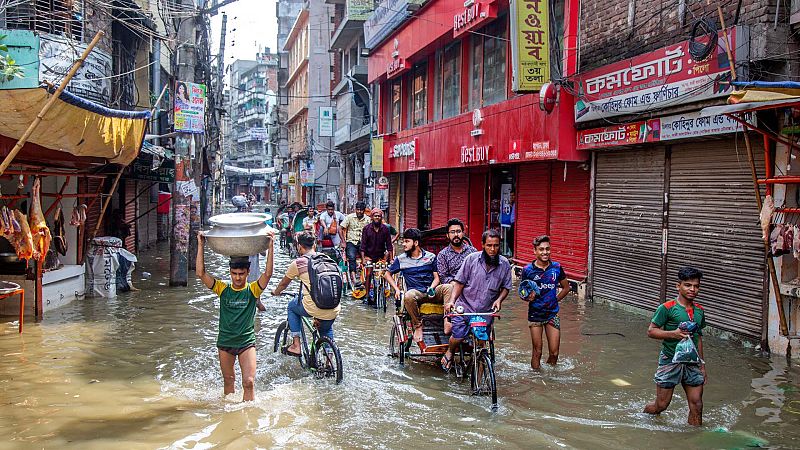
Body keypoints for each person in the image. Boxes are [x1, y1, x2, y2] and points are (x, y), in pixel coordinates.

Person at [195, 230, 274, 402]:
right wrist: (200, 244)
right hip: (225, 342)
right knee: (229, 381)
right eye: (234, 274)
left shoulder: (253, 290)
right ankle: (229, 416)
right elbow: (201, 273)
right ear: (230, 273)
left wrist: (271, 246)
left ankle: (249, 418)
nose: (237, 278)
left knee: (249, 382)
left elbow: (268, 274)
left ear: (248, 272)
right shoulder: (223, 289)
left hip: (246, 342)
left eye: (241, 274)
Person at [644, 267, 707, 426]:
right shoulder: (667, 308)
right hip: (670, 360)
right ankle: (645, 415)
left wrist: (702, 365)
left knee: (697, 405)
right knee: (661, 405)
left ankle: (693, 439)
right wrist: (674, 333)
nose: (692, 289)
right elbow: (651, 331)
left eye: (696, 286)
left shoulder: (699, 311)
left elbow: (698, 337)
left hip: (692, 363)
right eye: (688, 285)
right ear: (678, 286)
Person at [442, 229, 511, 371]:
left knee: (481, 345)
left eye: (496, 246)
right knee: (458, 336)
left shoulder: (504, 264)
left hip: (485, 311)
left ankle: (480, 382)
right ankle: (450, 351)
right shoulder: (471, 259)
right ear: (483, 245)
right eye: (489, 245)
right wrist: (452, 301)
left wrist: (499, 300)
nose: (493, 249)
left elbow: (506, 287)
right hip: (465, 307)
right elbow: (459, 282)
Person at [272, 231, 340, 356]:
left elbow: (283, 284)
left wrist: (276, 292)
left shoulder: (298, 263)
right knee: (326, 329)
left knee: (292, 307)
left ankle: (296, 345)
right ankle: (330, 359)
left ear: (299, 246)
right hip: (334, 308)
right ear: (314, 245)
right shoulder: (328, 260)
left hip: (313, 307)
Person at [384, 228, 447, 347]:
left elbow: (437, 278)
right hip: (416, 293)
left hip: (431, 291)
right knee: (408, 295)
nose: (403, 244)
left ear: (416, 243)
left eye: (407, 241)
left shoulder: (431, 257)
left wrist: (432, 287)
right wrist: (397, 289)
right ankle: (418, 325)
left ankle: (448, 320)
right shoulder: (401, 259)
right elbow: (387, 274)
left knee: (448, 287)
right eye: (403, 241)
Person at [520, 235, 570, 370]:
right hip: (535, 314)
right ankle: (536, 380)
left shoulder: (556, 268)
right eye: (541, 249)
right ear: (535, 251)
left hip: (552, 314)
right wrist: (527, 297)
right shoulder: (527, 270)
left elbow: (566, 288)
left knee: (554, 353)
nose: (545, 252)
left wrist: (555, 299)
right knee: (537, 352)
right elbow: (522, 292)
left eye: (547, 249)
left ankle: (549, 377)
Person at [437, 218, 477, 334]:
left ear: (463, 233)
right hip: (453, 286)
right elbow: (443, 277)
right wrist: (457, 283)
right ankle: (448, 320)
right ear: (447, 235)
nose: (456, 235)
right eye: (452, 232)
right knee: (451, 287)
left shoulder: (472, 252)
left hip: (470, 286)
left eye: (458, 231)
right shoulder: (443, 255)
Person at [360, 209, 394, 299]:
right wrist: (363, 259)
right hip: (369, 256)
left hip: (380, 256)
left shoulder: (386, 229)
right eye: (375, 216)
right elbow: (363, 246)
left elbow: (389, 245)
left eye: (379, 216)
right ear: (372, 217)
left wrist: (391, 259)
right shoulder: (366, 229)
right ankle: (367, 295)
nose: (377, 218)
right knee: (368, 274)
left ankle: (382, 290)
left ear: (381, 217)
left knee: (383, 273)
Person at [340, 201, 370, 285]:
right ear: (355, 209)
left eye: (361, 210)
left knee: (370, 257)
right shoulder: (349, 217)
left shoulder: (368, 219)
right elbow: (340, 228)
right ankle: (354, 278)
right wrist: (343, 241)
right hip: (351, 242)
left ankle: (366, 276)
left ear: (364, 210)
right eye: (358, 209)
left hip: (363, 242)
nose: (359, 212)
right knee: (351, 257)